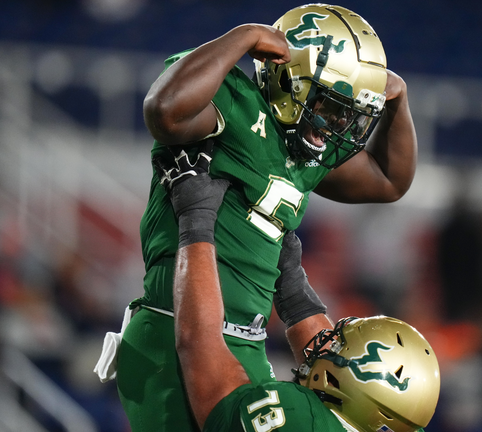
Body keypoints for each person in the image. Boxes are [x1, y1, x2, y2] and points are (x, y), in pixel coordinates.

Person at [103, 4, 419, 430]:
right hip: (176, 330)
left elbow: (390, 181)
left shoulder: (303, 148)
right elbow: (165, 110)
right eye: (329, 106)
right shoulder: (237, 105)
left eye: (348, 113)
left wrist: (399, 101)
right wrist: (244, 37)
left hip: (244, 341)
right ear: (288, 81)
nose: (337, 125)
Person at [158, 143, 440, 431]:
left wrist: (196, 219)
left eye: (340, 347)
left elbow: (200, 352)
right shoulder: (397, 420)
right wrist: (291, 283)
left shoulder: (301, 419)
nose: (328, 341)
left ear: (365, 393)